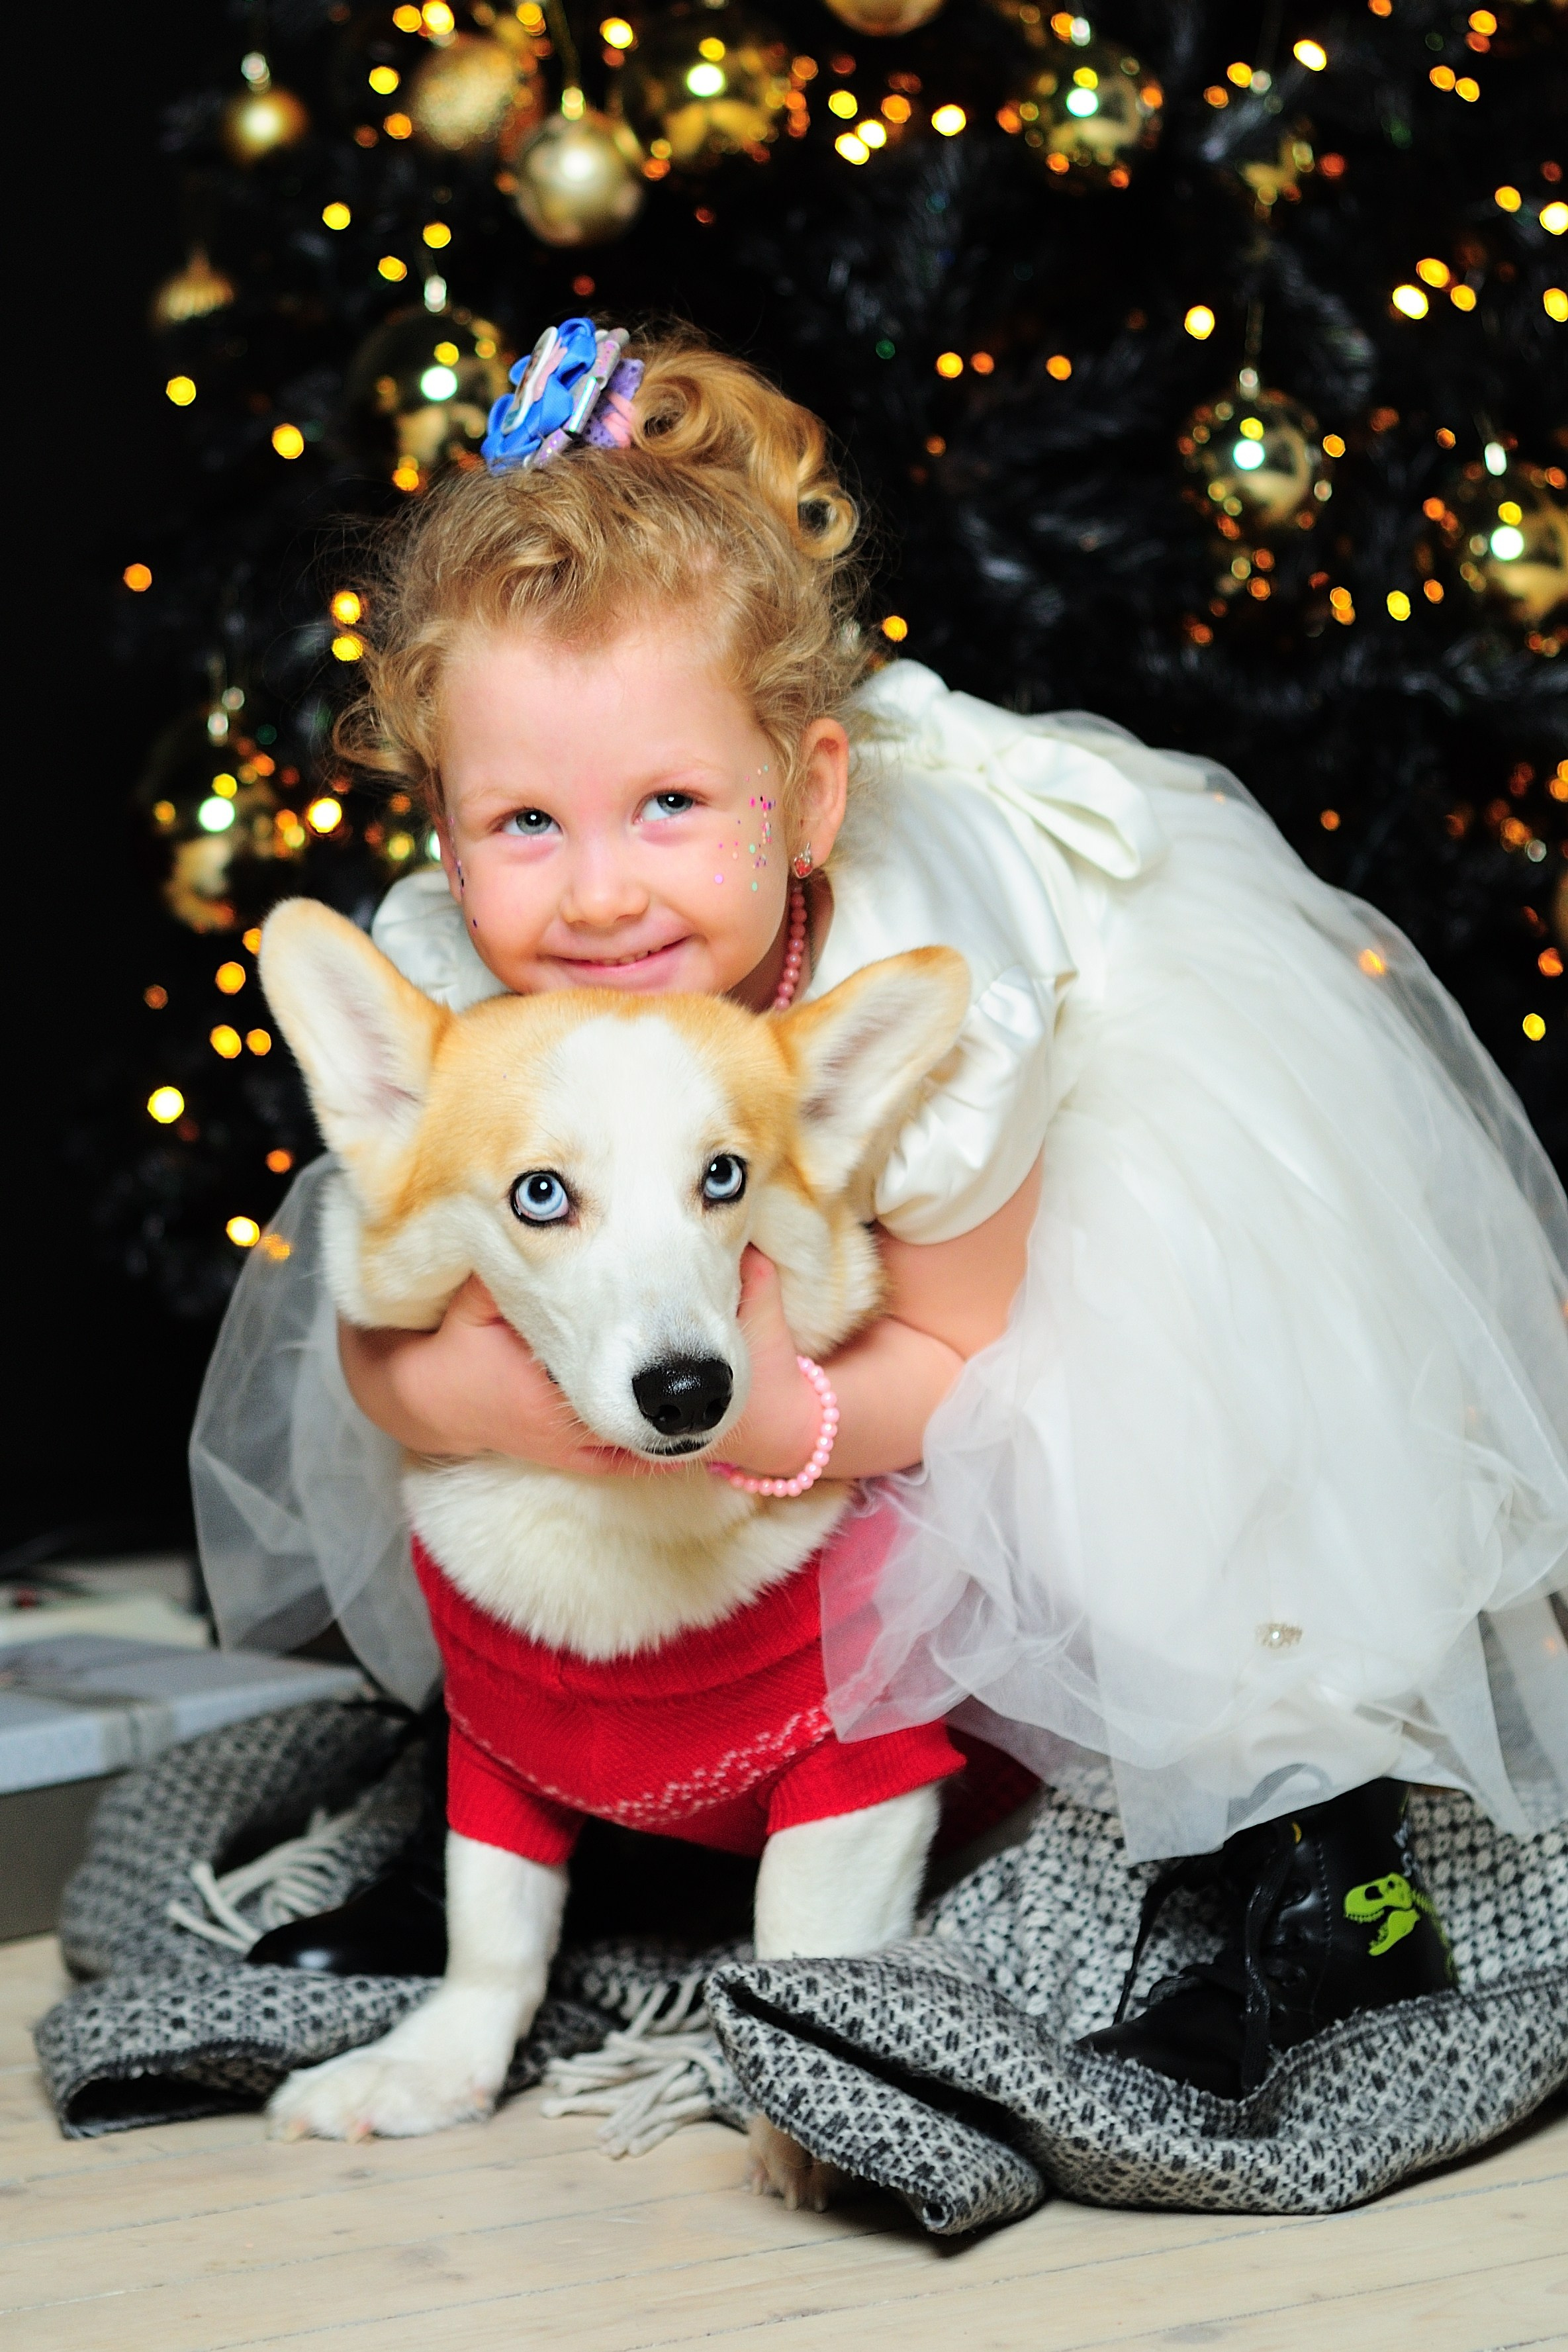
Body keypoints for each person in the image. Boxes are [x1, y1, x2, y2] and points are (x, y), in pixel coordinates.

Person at [193, 318, 1568, 2100]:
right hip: (715, 1224)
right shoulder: (455, 976)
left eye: (670, 804)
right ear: (447, 840)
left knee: (1141, 1457)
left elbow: (964, 1349)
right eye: (524, 822)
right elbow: (387, 1328)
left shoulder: (949, 1000)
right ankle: (577, 1807)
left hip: (1039, 1172)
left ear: (807, 793)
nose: (600, 893)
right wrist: (508, 1403)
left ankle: (1303, 1870)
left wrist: (785, 1415)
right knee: (525, 1398)